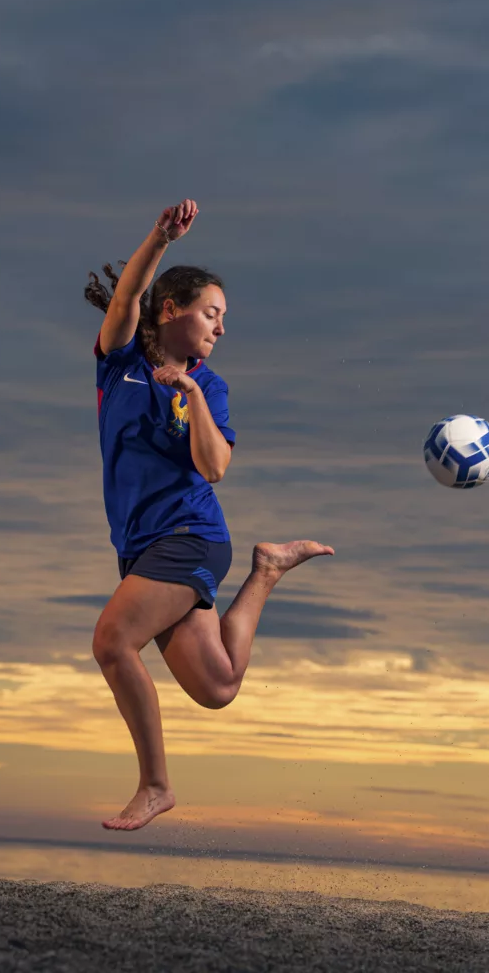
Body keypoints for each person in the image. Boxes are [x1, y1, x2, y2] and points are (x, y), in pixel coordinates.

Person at [84, 199, 334, 831]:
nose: (220, 329)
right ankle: (268, 570)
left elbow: (215, 467)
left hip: (191, 537)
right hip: (142, 546)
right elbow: (129, 297)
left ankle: (155, 785)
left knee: (113, 641)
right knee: (218, 686)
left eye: (223, 319)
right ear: (171, 311)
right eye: (212, 314)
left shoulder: (210, 388)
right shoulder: (120, 364)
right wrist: (161, 236)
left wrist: (191, 391)